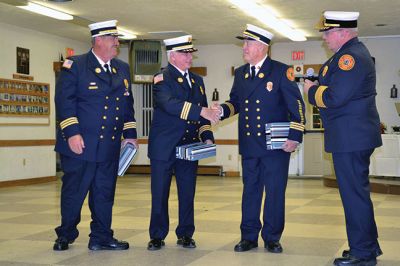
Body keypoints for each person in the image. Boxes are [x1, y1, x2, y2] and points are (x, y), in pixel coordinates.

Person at [214, 24, 305, 253]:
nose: (244, 47)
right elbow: (235, 101)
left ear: (263, 47)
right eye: (244, 43)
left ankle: (272, 237)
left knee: (274, 192)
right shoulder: (241, 73)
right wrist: (222, 111)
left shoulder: (281, 71)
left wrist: (295, 136)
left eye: (248, 43)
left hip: (275, 145)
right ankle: (249, 236)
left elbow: (297, 107)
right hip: (250, 144)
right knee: (250, 190)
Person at [303, 11, 382, 266]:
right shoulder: (349, 56)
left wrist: (311, 90)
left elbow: (335, 97)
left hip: (351, 138)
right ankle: (365, 246)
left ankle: (363, 254)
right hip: (352, 136)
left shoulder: (350, 57)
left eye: (328, 33)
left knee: (353, 195)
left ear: (343, 32)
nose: (325, 38)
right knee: (356, 194)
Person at [54, 20, 138, 251]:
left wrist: (129, 134)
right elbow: (64, 101)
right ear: (98, 40)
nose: (117, 44)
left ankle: (101, 237)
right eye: (113, 39)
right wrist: (71, 132)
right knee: (74, 192)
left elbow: (126, 104)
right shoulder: (76, 65)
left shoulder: (121, 68)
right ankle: (65, 234)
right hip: (80, 144)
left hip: (109, 146)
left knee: (104, 193)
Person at [147, 35, 219, 251]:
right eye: (185, 53)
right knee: (160, 193)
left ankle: (186, 234)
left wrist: (207, 135)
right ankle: (157, 236)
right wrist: (202, 111)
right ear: (173, 56)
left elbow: (203, 115)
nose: (190, 57)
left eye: (190, 53)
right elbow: (169, 104)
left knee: (188, 193)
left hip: (188, 147)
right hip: (164, 147)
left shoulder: (198, 80)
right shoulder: (162, 78)